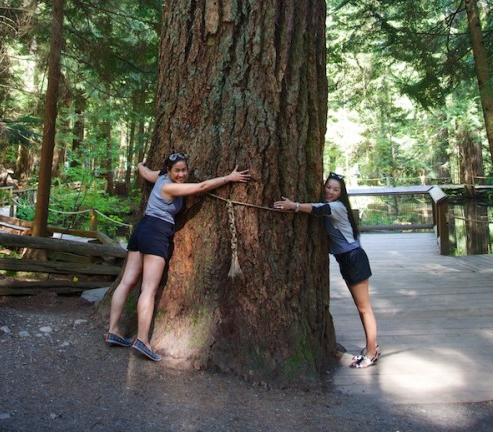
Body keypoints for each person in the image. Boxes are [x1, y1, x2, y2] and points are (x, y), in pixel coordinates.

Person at [105, 152, 250, 361]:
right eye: (177, 171)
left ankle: (113, 330)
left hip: (142, 228)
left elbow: (146, 173)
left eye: (184, 170)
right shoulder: (168, 186)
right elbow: (200, 187)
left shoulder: (160, 177)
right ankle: (142, 340)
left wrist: (140, 166)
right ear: (169, 170)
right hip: (156, 233)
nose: (181, 174)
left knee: (127, 282)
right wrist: (228, 178)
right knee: (148, 288)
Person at [274, 172, 379, 368]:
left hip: (354, 258)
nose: (330, 191)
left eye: (335, 189)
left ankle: (371, 353)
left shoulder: (337, 207)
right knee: (362, 307)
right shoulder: (335, 207)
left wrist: (294, 205)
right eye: (328, 187)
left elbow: (318, 209)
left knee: (364, 308)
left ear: (341, 193)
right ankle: (372, 347)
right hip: (347, 259)